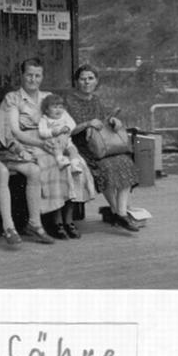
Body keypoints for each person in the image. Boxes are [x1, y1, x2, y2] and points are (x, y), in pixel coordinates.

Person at [0, 57, 94, 239]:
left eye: (37, 75)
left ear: (42, 77)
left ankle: (69, 219)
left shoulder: (47, 97)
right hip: (30, 142)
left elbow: (66, 122)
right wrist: (41, 143)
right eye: (29, 75)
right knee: (55, 164)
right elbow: (15, 132)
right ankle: (56, 220)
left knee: (77, 163)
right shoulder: (13, 98)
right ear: (21, 75)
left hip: (56, 140)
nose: (33, 80)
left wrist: (63, 138)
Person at [0, 73, 54, 247]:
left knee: (34, 170)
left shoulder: (0, 113)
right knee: (3, 172)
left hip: (4, 151)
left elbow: (9, 139)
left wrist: (20, 150)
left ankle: (35, 223)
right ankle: (9, 227)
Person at [64, 64, 140, 232]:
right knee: (106, 167)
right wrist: (87, 124)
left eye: (90, 78)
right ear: (77, 81)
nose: (86, 82)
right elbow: (67, 129)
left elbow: (104, 121)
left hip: (100, 145)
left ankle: (120, 212)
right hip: (80, 145)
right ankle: (117, 212)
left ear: (96, 81)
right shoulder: (68, 101)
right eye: (83, 78)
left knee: (125, 162)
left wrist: (113, 122)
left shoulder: (96, 100)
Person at [38, 94, 82, 171]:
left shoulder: (64, 115)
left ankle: (74, 165)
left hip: (67, 142)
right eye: (54, 107)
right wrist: (51, 132)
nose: (58, 110)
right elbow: (41, 132)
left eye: (60, 107)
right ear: (46, 110)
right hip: (54, 142)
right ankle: (61, 161)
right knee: (57, 149)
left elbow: (73, 123)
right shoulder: (44, 119)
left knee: (73, 150)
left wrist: (67, 127)